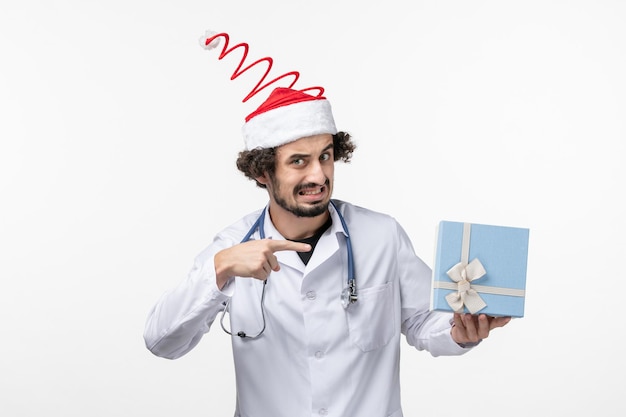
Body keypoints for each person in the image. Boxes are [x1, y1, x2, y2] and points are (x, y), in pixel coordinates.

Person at [144, 36, 510, 417]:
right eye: (299, 162)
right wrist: (219, 269)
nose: (318, 174)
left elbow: (422, 321)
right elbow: (161, 342)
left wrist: (458, 331)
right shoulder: (234, 247)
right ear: (262, 172)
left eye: (326, 156)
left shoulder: (380, 235)